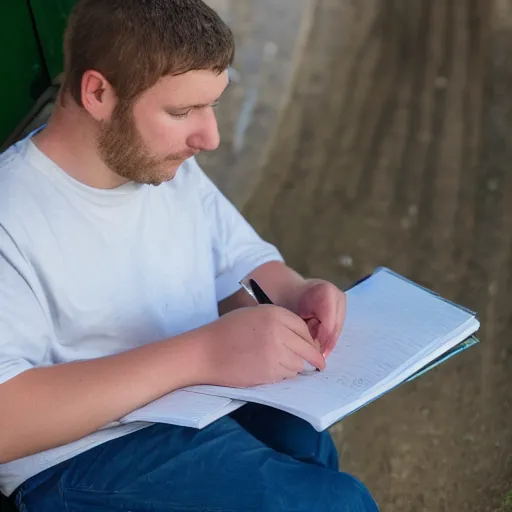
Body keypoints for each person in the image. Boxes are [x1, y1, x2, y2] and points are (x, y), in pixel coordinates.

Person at [0, 1, 379, 510]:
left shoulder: (159, 166)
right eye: (181, 112)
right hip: (79, 456)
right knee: (336, 504)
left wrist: (292, 291)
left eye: (213, 106)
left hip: (192, 400)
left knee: (309, 445)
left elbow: (238, 259)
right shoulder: (12, 212)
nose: (210, 138)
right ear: (97, 93)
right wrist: (203, 353)